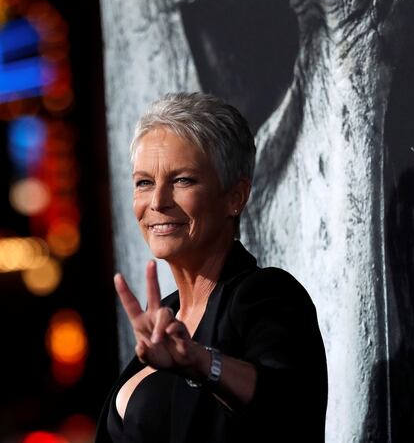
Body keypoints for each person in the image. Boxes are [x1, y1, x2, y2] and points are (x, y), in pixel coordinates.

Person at [95, 92, 327, 442]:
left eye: (182, 180)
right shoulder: (165, 314)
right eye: (144, 182)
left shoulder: (265, 295)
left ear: (234, 197)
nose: (157, 201)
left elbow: (289, 405)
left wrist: (203, 364)